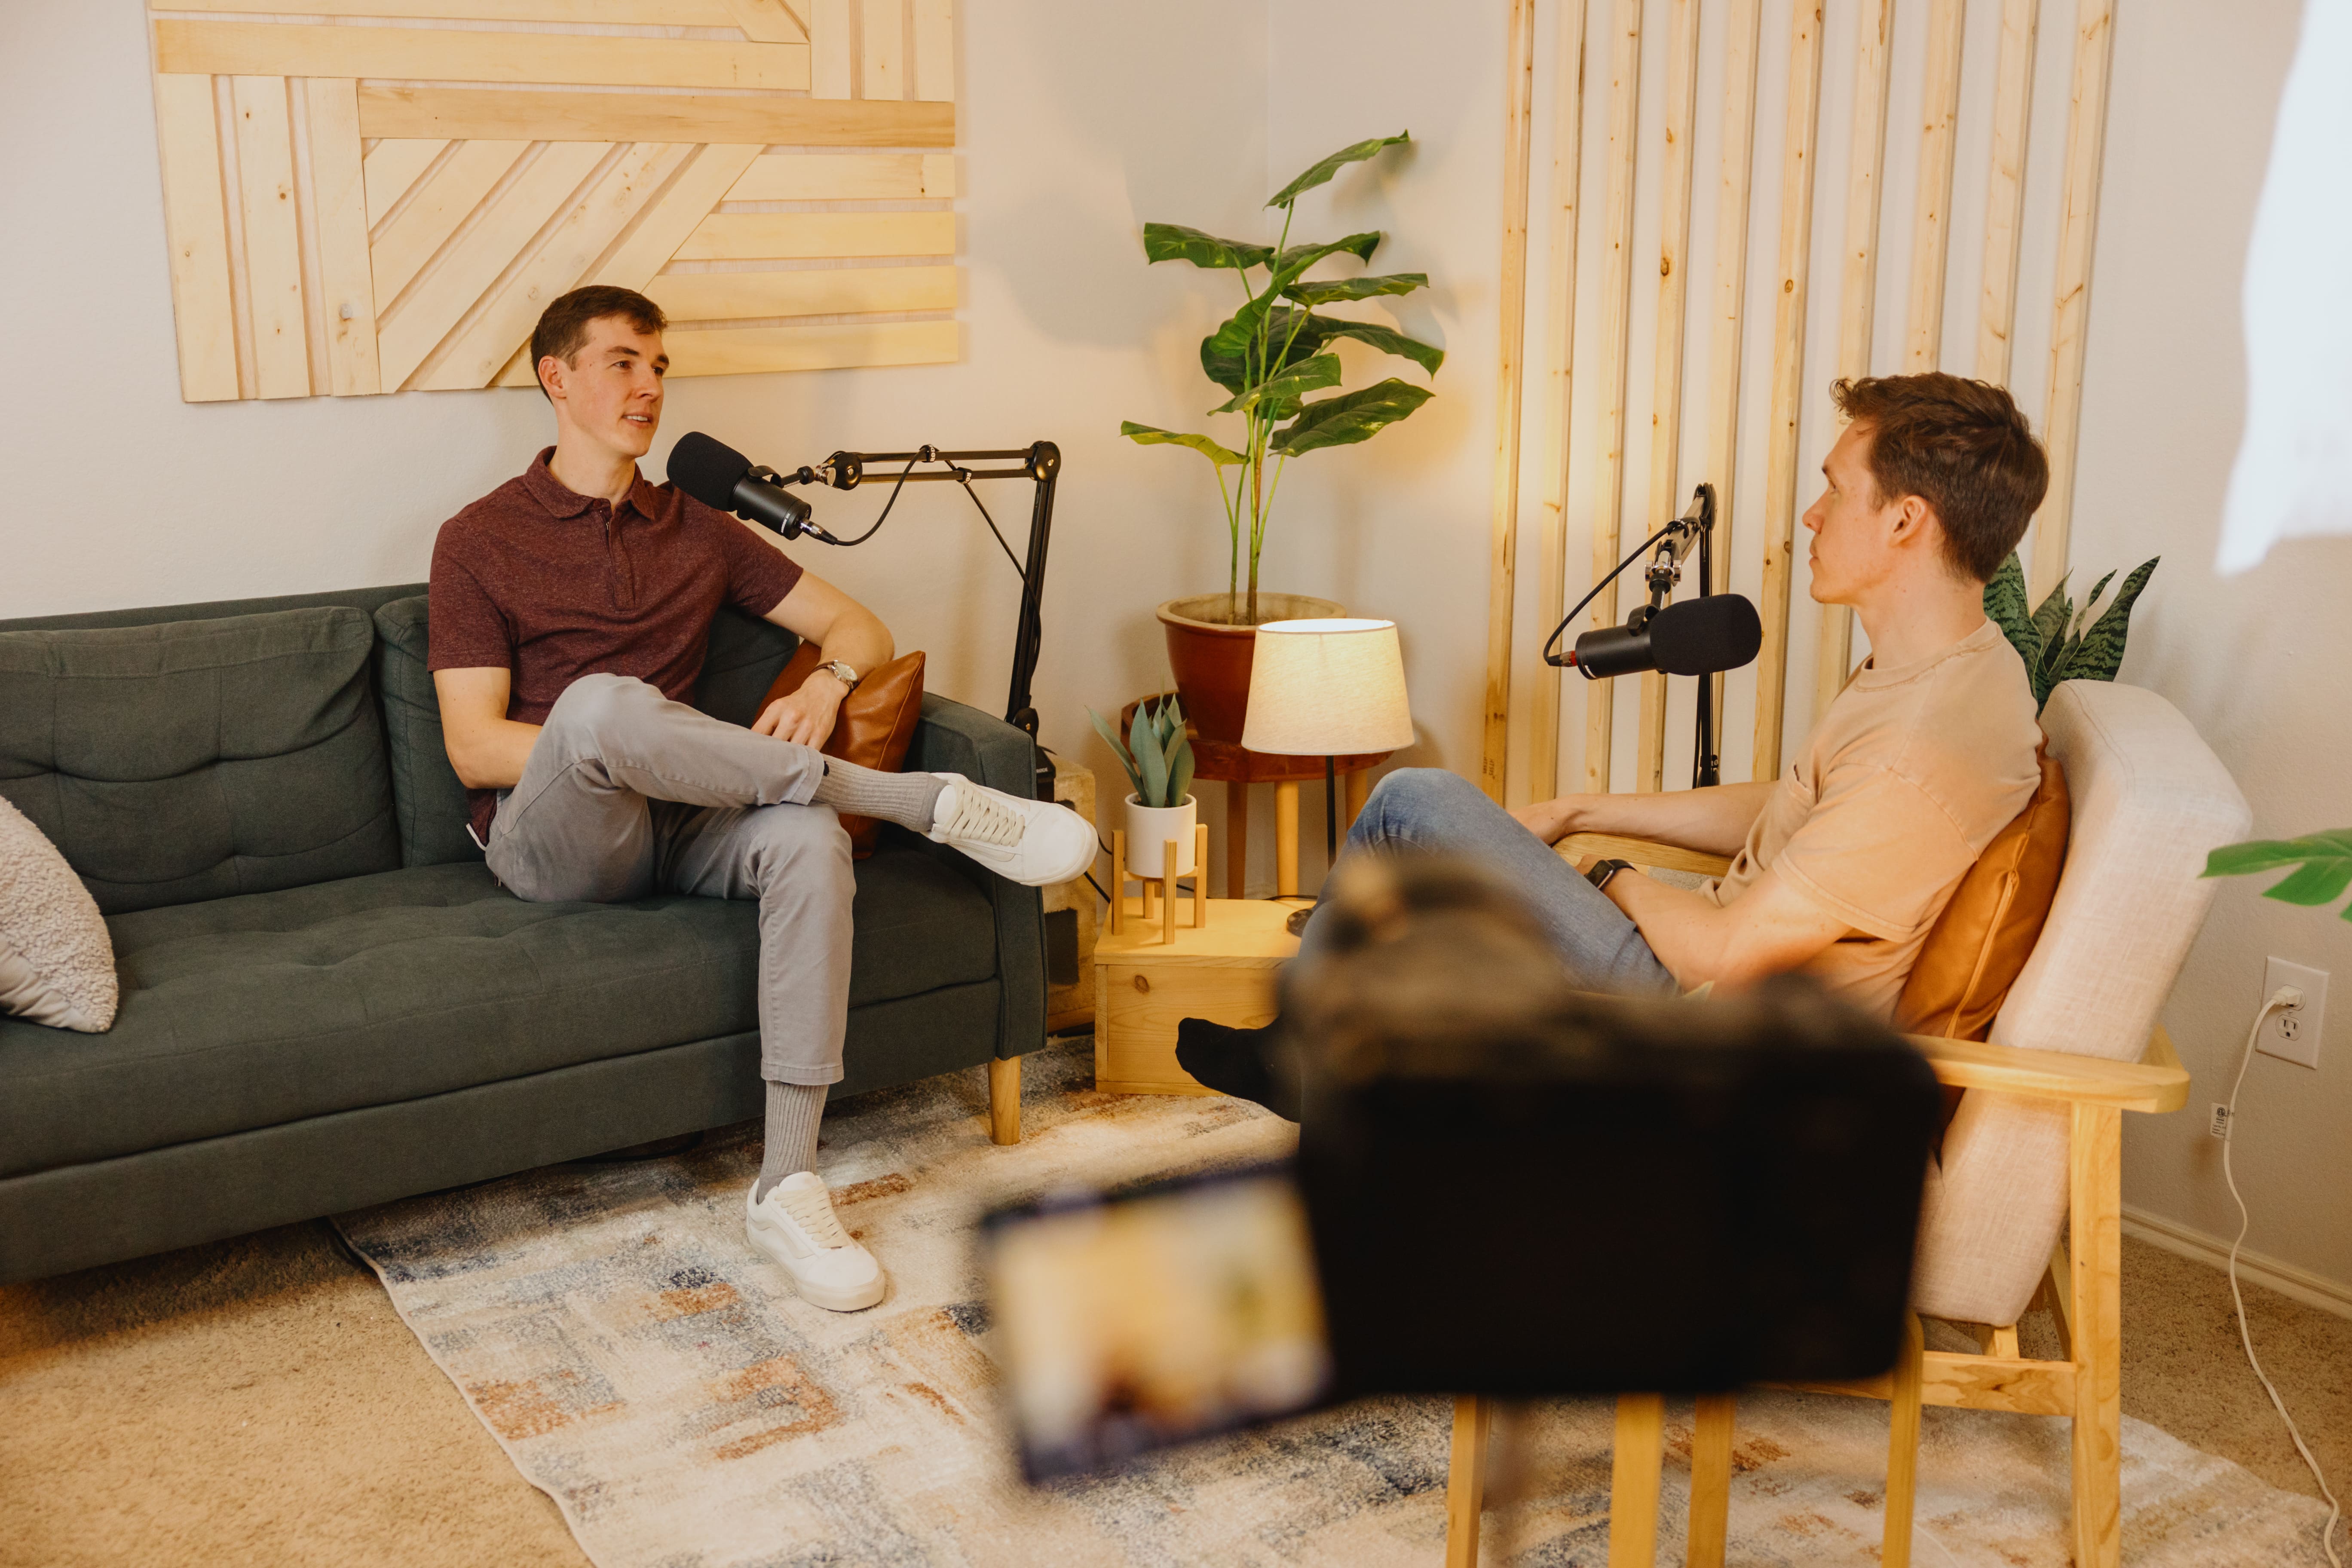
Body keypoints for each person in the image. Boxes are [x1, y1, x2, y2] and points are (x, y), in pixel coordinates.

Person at [428, 285, 1093, 1312]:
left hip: (683, 821)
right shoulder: (479, 537)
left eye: (659, 366)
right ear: (556, 379)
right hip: (553, 838)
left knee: (809, 838)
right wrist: (614, 744)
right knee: (603, 708)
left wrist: (829, 686)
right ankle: (921, 803)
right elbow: (474, 748)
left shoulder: (696, 528)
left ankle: (787, 1182)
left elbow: (858, 627)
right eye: (622, 364)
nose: (649, 386)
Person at [1180, 372, 2048, 1115]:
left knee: (1415, 806)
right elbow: (1802, 804)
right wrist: (1580, 808)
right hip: (1724, 991)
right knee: (1440, 868)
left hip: (1716, 1029)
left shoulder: (1919, 750)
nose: (1812, 516)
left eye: (1835, 488)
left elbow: (1728, 951)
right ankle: (1318, 1048)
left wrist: (1597, 873)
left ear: (1905, 520)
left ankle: (1305, 1047)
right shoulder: (1955, 670)